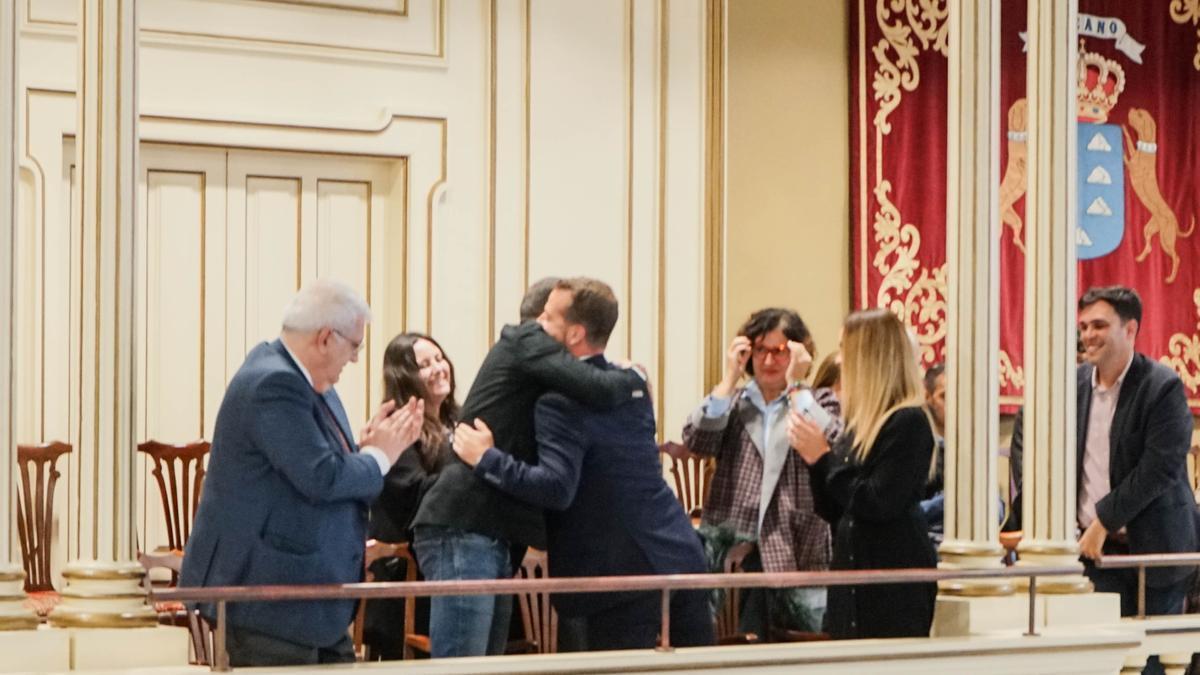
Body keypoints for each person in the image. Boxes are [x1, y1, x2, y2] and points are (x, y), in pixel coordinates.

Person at [453, 277, 714, 650]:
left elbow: (556, 488)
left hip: (615, 574)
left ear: (574, 333)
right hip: (680, 553)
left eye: (547, 317)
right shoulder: (632, 387)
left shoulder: (558, 401)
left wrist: (488, 459)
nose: (537, 324)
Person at [180, 279, 423, 667]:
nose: (356, 359)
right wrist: (380, 455)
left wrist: (363, 450)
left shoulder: (304, 380)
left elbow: (319, 465)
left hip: (306, 600)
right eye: (355, 346)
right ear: (326, 337)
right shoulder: (273, 382)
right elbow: (321, 476)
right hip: (270, 599)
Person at [409, 277, 647, 657]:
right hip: (465, 521)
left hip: (488, 528)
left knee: (485, 665)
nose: (546, 325)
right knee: (461, 666)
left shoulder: (542, 360)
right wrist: (637, 377)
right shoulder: (524, 339)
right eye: (549, 318)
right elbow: (597, 387)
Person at [679, 308, 837, 636]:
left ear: (797, 351)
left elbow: (835, 439)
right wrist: (728, 378)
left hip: (794, 539)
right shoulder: (734, 401)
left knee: (796, 640)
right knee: (732, 636)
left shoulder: (815, 398)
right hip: (734, 543)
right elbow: (697, 440)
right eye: (760, 350)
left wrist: (796, 385)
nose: (768, 361)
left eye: (779, 352)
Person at [788, 308, 937, 640]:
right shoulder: (860, 425)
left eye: (845, 349)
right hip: (852, 574)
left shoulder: (909, 422)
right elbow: (834, 509)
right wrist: (814, 461)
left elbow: (877, 502)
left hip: (892, 582)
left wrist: (824, 457)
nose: (839, 361)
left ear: (871, 356)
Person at [1075, 286, 1197, 621]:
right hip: (1094, 556)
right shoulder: (1074, 386)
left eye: (1099, 326)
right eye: (1084, 327)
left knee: (1150, 664)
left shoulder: (1162, 386)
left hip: (1155, 555)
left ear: (1130, 330)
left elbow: (1158, 468)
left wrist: (1104, 520)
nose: (1088, 335)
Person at [363, 332, 458, 659]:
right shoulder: (394, 428)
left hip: (452, 559)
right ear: (404, 377)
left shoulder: (457, 421)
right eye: (425, 365)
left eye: (439, 358)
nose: (438, 369)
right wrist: (471, 472)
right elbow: (414, 494)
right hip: (407, 572)